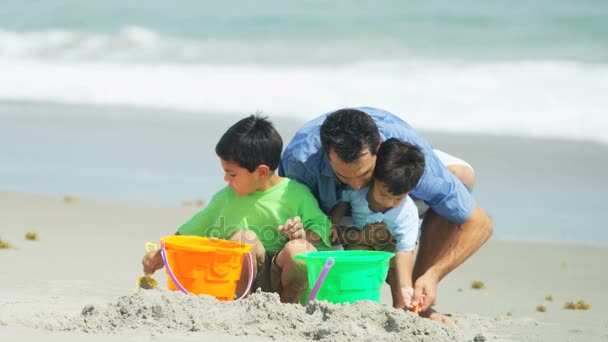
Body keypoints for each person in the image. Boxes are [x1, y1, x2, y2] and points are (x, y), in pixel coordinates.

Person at [279, 107, 493, 323]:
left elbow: (481, 224)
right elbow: (305, 224)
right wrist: (356, 236)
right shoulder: (300, 160)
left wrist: (434, 274)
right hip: (332, 211)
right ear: (328, 155)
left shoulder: (402, 147)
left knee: (462, 177)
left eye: (364, 174)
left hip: (389, 193)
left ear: (378, 148)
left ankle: (416, 301)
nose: (356, 185)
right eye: (343, 175)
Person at [142, 114, 332, 303]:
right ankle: (240, 302)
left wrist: (301, 234)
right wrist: (160, 255)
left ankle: (289, 306)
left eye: (232, 174)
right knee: (244, 238)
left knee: (299, 250)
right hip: (240, 280)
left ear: (261, 172)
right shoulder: (225, 198)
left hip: (282, 277)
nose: (227, 180)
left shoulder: (295, 193)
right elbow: (194, 229)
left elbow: (323, 230)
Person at [331, 138, 425, 312]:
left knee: (398, 276)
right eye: (383, 194)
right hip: (361, 240)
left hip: (393, 245)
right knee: (357, 267)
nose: (389, 202)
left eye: (398, 198)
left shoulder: (407, 213)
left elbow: (404, 250)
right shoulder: (357, 190)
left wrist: (406, 287)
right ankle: (358, 304)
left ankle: (400, 306)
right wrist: (334, 223)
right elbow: (343, 202)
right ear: (374, 177)